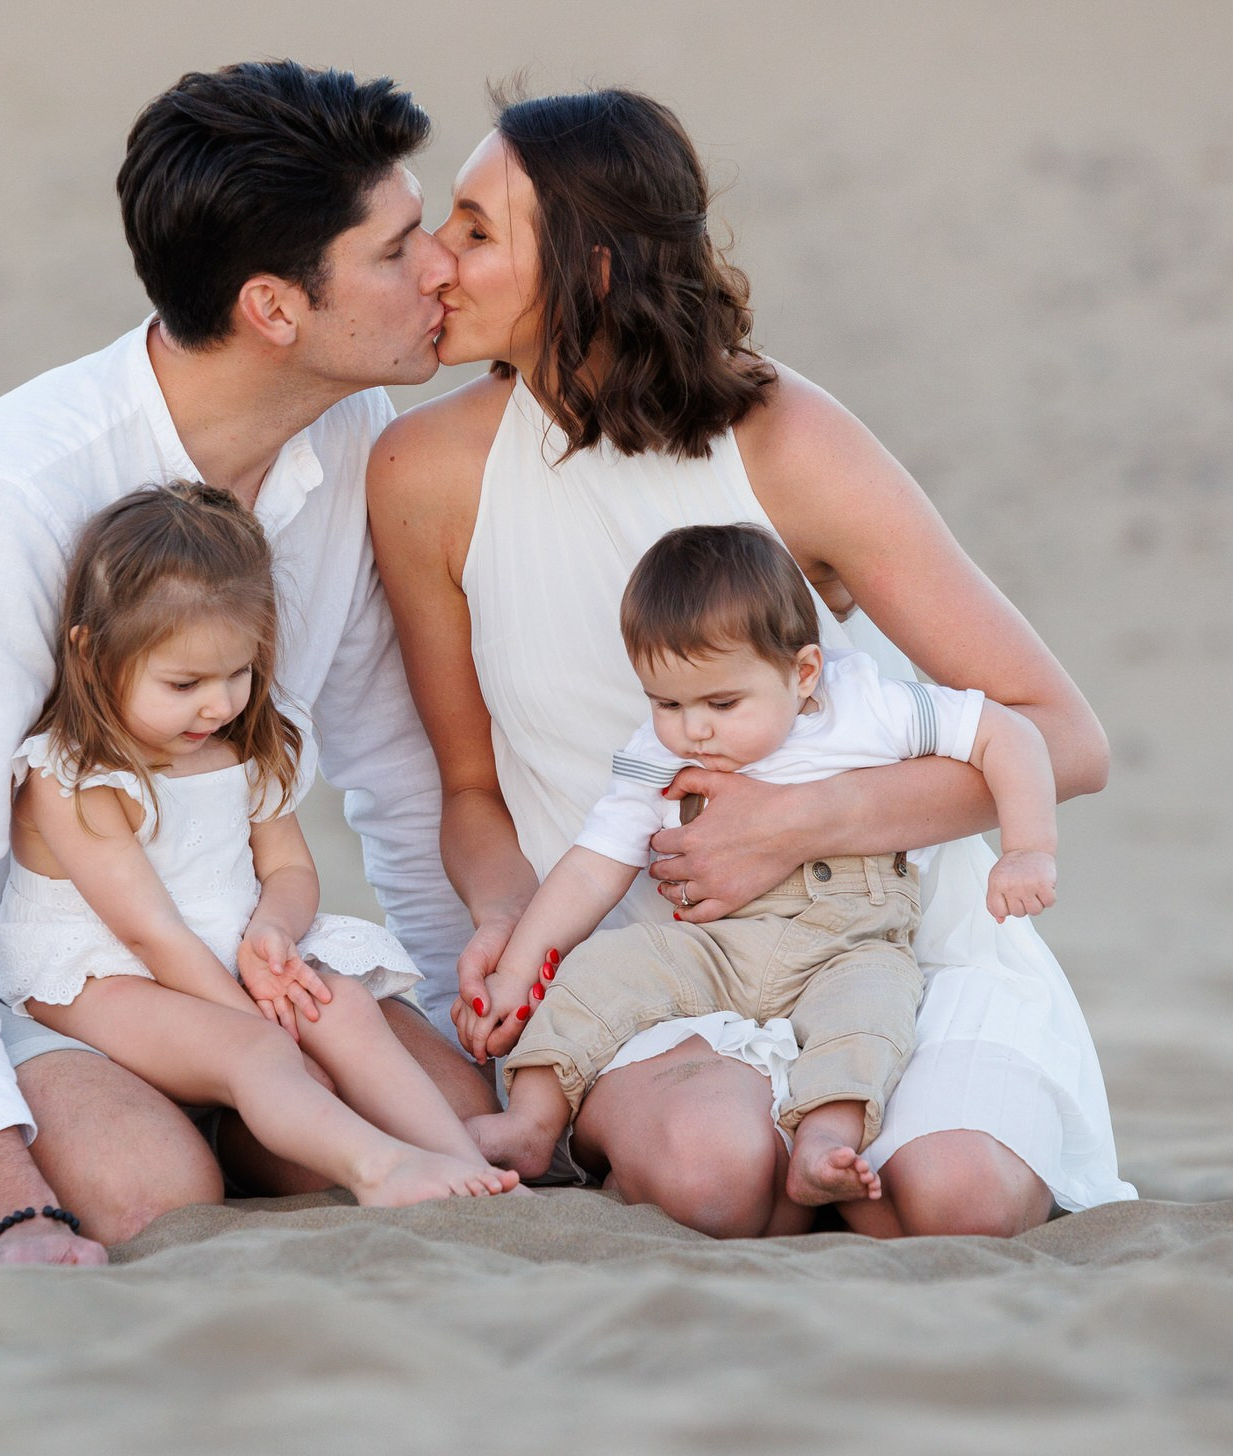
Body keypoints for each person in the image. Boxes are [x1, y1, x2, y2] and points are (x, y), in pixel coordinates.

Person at [0, 61, 492, 1276]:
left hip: (189, 969)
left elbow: (392, 771)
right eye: (398, 250)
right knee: (150, 1191)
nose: (443, 263)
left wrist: (446, 1030)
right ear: (275, 308)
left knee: (432, 1101)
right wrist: (11, 1213)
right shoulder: (9, 499)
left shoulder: (345, 434)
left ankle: (194, 1110)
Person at [369, 87, 1136, 1240]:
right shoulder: (422, 472)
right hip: (649, 957)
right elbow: (471, 789)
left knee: (957, 1196)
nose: (433, 259)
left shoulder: (786, 439)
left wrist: (803, 820)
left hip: (882, 934)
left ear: (597, 269)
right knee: (715, 1170)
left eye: (476, 231)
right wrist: (506, 914)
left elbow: (1064, 736)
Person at [457, 522, 1059, 1221]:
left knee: (871, 1015)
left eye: (721, 704)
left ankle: (824, 1142)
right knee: (603, 970)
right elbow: (595, 866)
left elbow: (1008, 734)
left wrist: (1027, 848)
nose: (693, 730)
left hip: (850, 944)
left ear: (803, 673)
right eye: (667, 704)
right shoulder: (656, 752)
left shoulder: (868, 708)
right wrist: (517, 968)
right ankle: (532, 1122)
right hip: (717, 943)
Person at [0, 481, 516, 1208]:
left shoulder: (241, 746)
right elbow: (148, 931)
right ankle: (378, 1168)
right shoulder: (75, 775)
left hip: (223, 951)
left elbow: (291, 868)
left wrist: (272, 929)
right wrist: (262, 1022)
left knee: (345, 1009)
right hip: (101, 972)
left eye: (238, 673)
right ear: (89, 655)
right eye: (184, 683)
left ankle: (468, 1168)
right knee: (263, 1048)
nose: (218, 703)